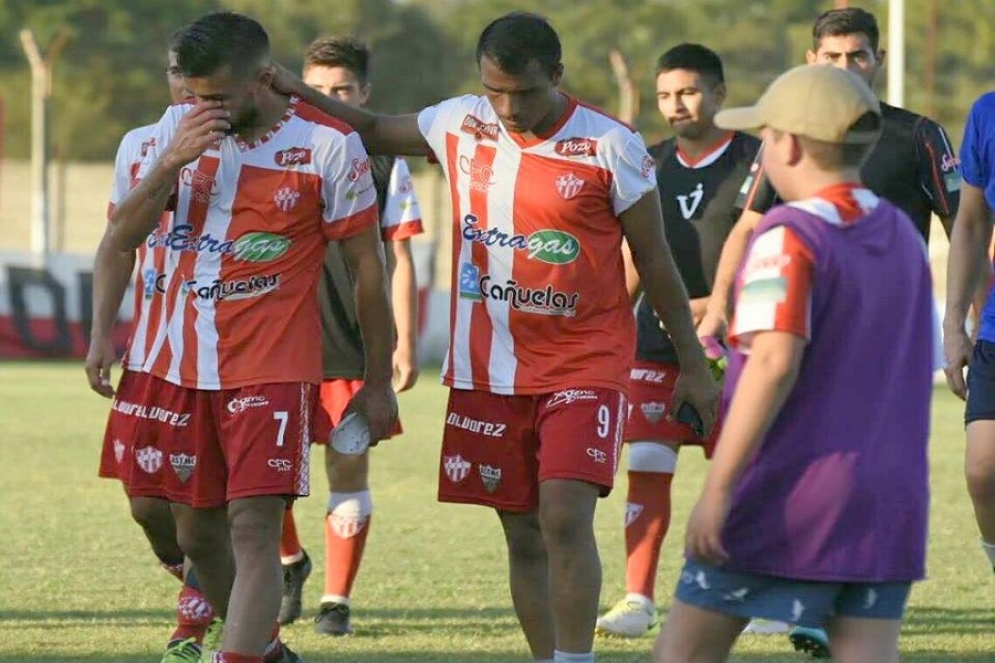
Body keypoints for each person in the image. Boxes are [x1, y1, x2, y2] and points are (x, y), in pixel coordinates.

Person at [272, 11, 719, 663]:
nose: (507, 107)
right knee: (523, 533)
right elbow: (368, 127)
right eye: (494, 91)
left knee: (564, 514)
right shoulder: (459, 121)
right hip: (489, 370)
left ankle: (574, 658)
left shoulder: (610, 143)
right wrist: (289, 86)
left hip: (583, 363)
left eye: (524, 92)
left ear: (557, 76)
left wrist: (691, 364)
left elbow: (654, 260)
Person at [91, 12, 397, 663]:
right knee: (192, 528)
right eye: (192, 95)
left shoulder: (326, 146)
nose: (200, 109)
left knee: (252, 523)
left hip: (272, 366)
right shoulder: (151, 142)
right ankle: (265, 648)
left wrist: (375, 378)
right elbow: (120, 239)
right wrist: (174, 160)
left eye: (217, 98)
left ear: (262, 80)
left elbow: (368, 268)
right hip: (173, 366)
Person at [695, 8, 963, 656]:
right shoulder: (894, 234)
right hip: (889, 494)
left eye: (858, 56)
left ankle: (795, 592)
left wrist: (718, 488)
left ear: (783, 145)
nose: (846, 67)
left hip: (803, 459)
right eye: (833, 57)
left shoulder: (788, 237)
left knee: (684, 648)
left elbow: (771, 364)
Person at [595, 43, 759, 638]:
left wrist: (718, 308)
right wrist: (610, 317)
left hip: (741, 341)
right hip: (656, 340)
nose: (676, 105)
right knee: (647, 458)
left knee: (744, 473)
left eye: (688, 91)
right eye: (665, 95)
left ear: (720, 92)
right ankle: (637, 598)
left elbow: (768, 245)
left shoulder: (758, 159)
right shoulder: (648, 161)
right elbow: (634, 256)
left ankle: (752, 590)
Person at [276, 36, 425, 634]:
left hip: (353, 344)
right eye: (317, 88)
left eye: (342, 90)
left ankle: (336, 601)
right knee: (266, 475)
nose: (328, 99)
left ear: (364, 95)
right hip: (281, 341)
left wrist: (404, 342)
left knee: (347, 467)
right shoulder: (280, 150)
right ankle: (290, 563)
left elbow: (402, 256)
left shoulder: (386, 161)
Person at [87, 39, 221, 663]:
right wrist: (99, 336)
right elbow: (118, 244)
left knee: (203, 512)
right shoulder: (140, 142)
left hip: (231, 360)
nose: (190, 89)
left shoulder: (258, 142)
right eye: (179, 75)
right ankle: (220, 588)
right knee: (147, 507)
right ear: (168, 76)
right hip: (151, 355)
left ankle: (193, 630)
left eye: (205, 80)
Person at [943, 91, 995, 587]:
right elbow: (973, 222)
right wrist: (953, 321)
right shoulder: (986, 112)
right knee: (983, 470)